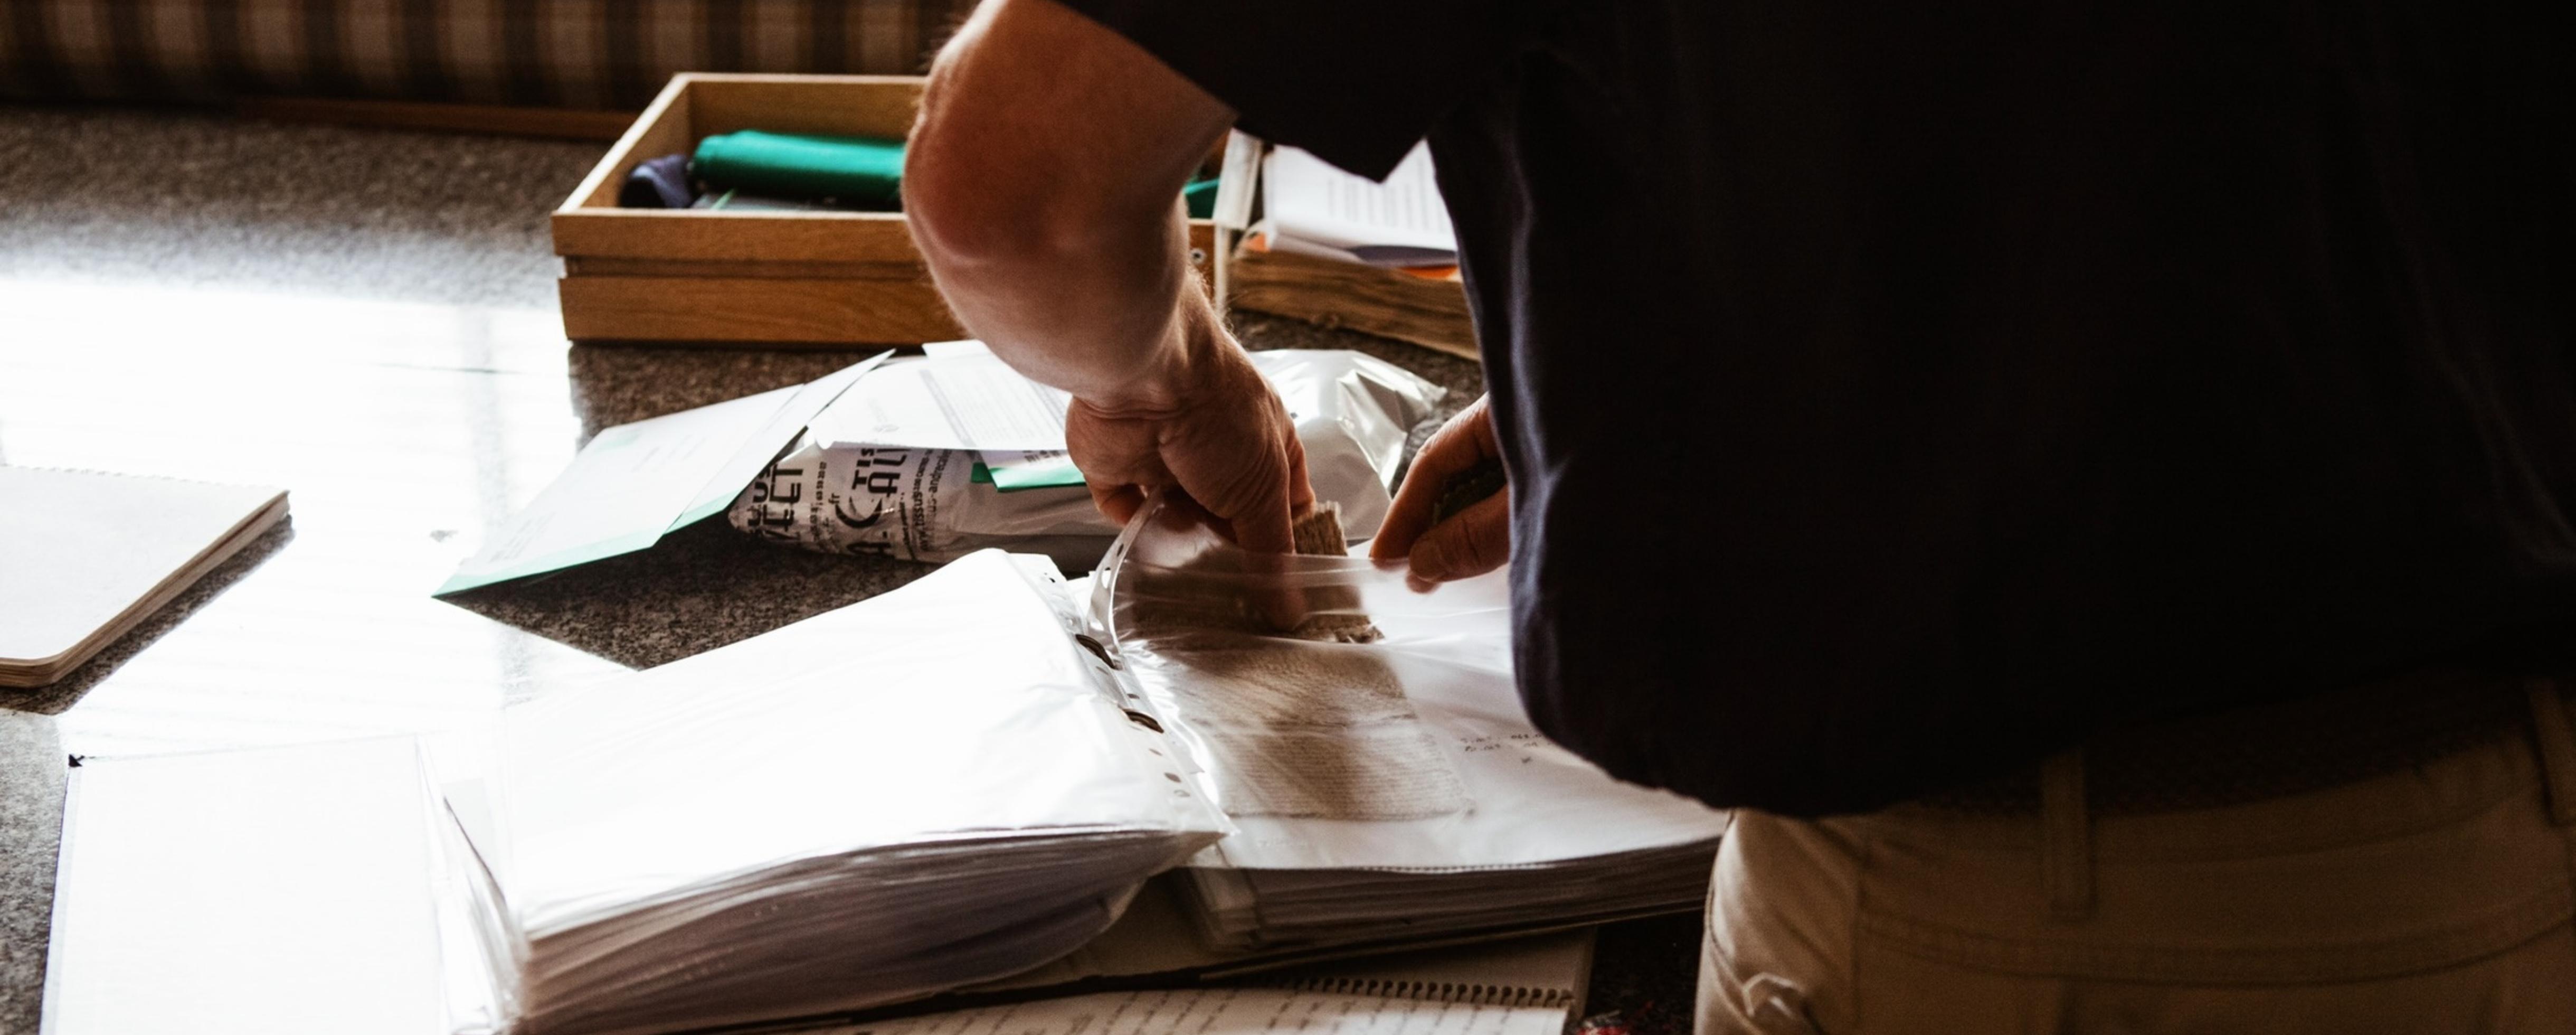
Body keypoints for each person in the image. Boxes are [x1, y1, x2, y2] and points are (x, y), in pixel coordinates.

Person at [902, 1, 2576, 1030]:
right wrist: (1725, 351)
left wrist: (1181, 376)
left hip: (2045, 926)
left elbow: (1013, 185)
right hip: (2524, 829)